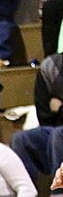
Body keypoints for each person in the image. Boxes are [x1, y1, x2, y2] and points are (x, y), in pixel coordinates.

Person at [9, 47, 63, 184]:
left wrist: (60, 109)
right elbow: (44, 114)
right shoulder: (51, 66)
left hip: (58, 133)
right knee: (20, 139)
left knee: (58, 135)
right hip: (54, 132)